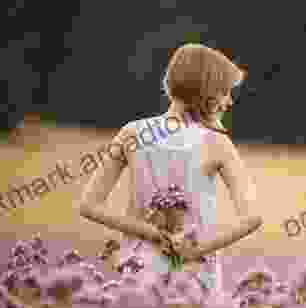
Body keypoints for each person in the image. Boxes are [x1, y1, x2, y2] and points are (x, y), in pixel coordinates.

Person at [78, 43, 263, 292]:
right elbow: (252, 218)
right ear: (206, 93)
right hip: (194, 275)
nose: (228, 102)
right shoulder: (218, 143)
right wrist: (196, 248)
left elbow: (89, 205)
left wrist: (151, 234)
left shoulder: (131, 133)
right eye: (224, 92)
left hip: (139, 271)